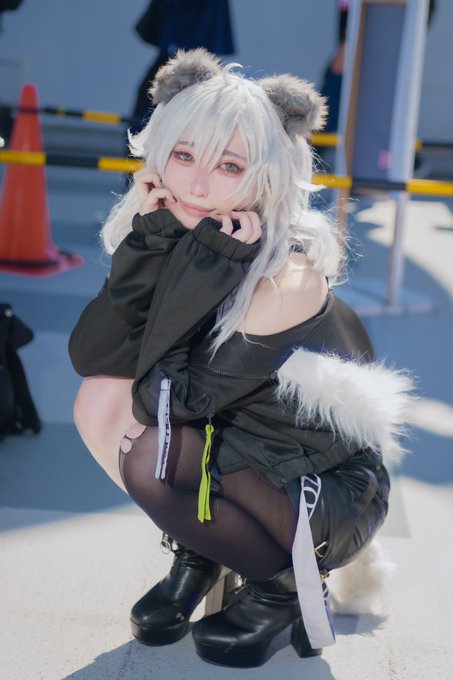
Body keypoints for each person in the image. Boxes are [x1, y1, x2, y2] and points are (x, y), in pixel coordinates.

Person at [69, 49, 413, 668]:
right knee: (99, 400)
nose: (198, 186)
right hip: (244, 452)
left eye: (230, 165)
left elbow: (169, 402)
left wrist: (202, 267)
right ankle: (202, 547)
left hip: (320, 497)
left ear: (267, 175)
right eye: (183, 156)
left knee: (152, 452)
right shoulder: (188, 229)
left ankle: (282, 586)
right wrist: (148, 245)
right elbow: (95, 354)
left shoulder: (287, 275)